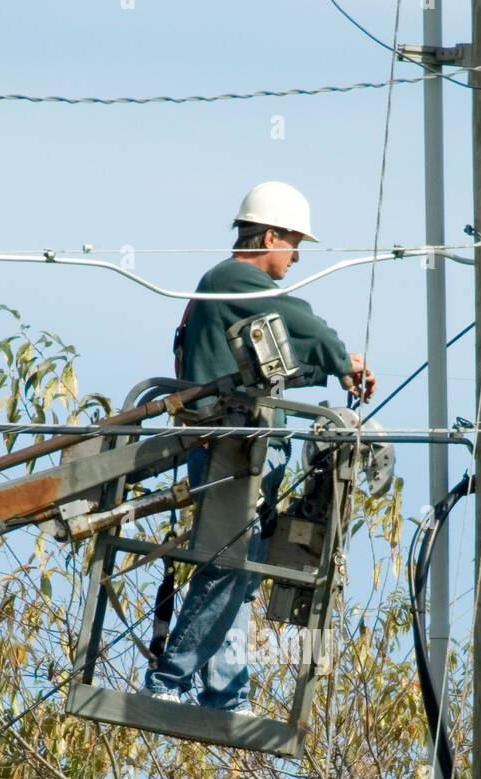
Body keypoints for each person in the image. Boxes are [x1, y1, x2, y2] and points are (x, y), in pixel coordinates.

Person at [142, 181, 376, 713]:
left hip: (238, 446)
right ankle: (170, 679)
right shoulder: (231, 278)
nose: (295, 256)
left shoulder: (230, 295)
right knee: (228, 566)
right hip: (228, 448)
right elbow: (302, 322)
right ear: (269, 235)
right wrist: (345, 360)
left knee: (240, 572)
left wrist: (336, 367)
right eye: (293, 243)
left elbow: (285, 354)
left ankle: (225, 692)